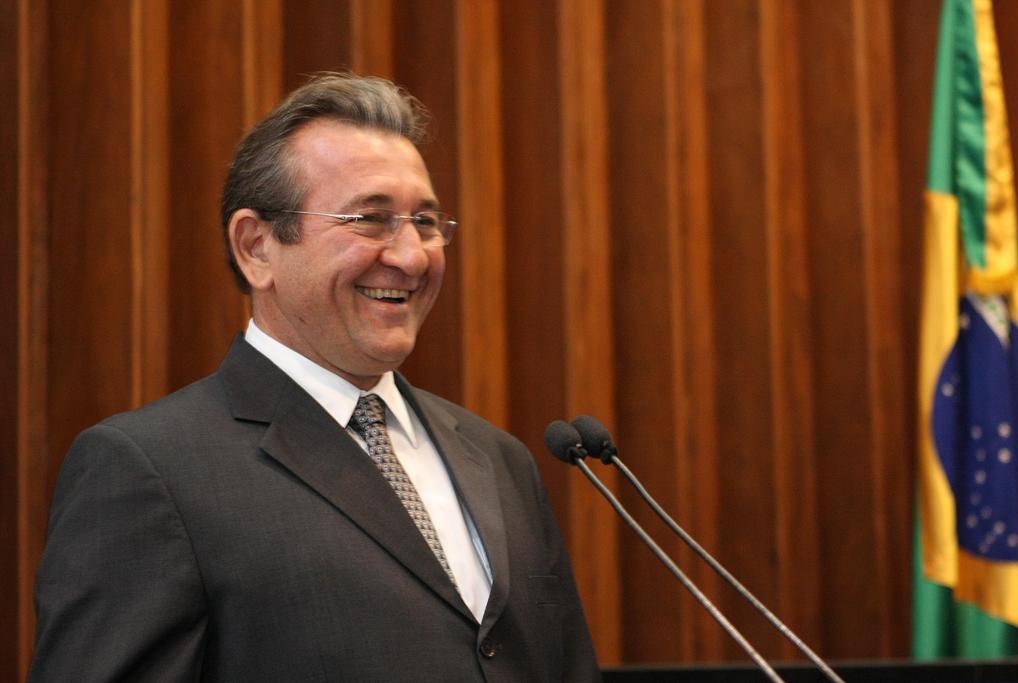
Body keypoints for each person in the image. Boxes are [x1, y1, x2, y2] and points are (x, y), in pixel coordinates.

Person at [30, 73, 600, 682]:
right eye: (370, 219)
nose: (412, 256)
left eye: (426, 221)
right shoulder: (149, 469)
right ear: (257, 247)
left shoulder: (499, 458)